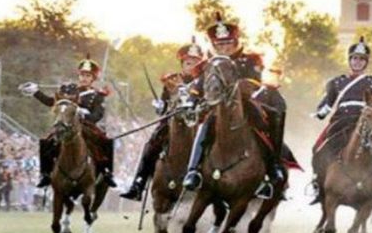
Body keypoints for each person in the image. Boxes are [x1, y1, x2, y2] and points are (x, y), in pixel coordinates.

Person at [181, 14, 290, 199]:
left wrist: (236, 89)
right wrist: (191, 100)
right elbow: (198, 85)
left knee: (268, 123)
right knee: (204, 128)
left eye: (227, 44)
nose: (224, 48)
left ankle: (273, 170)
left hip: (244, 106)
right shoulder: (209, 64)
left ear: (236, 42)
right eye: (219, 45)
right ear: (214, 46)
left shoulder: (250, 60)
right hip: (217, 110)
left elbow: (253, 82)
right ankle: (193, 172)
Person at [311, 36, 372, 204]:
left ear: (366, 62)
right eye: (355, 58)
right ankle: (318, 186)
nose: (358, 62)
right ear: (350, 60)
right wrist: (320, 112)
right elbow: (327, 103)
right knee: (318, 149)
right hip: (341, 121)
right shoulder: (336, 82)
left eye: (362, 60)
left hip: (366, 122)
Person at [120, 39, 204, 201]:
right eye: (188, 63)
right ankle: (139, 183)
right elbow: (164, 105)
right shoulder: (171, 81)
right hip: (172, 122)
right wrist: (160, 106)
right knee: (152, 144)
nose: (191, 66)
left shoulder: (205, 81)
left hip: (198, 122)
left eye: (196, 63)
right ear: (182, 63)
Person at [20, 55, 117, 188]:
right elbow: (51, 102)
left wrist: (84, 114)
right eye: (82, 75)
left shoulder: (97, 95)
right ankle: (45, 174)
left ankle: (106, 172)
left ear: (93, 78)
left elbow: (98, 114)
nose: (84, 78)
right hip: (68, 125)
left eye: (88, 76)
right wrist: (36, 92)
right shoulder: (69, 91)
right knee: (46, 142)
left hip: (86, 125)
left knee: (106, 141)